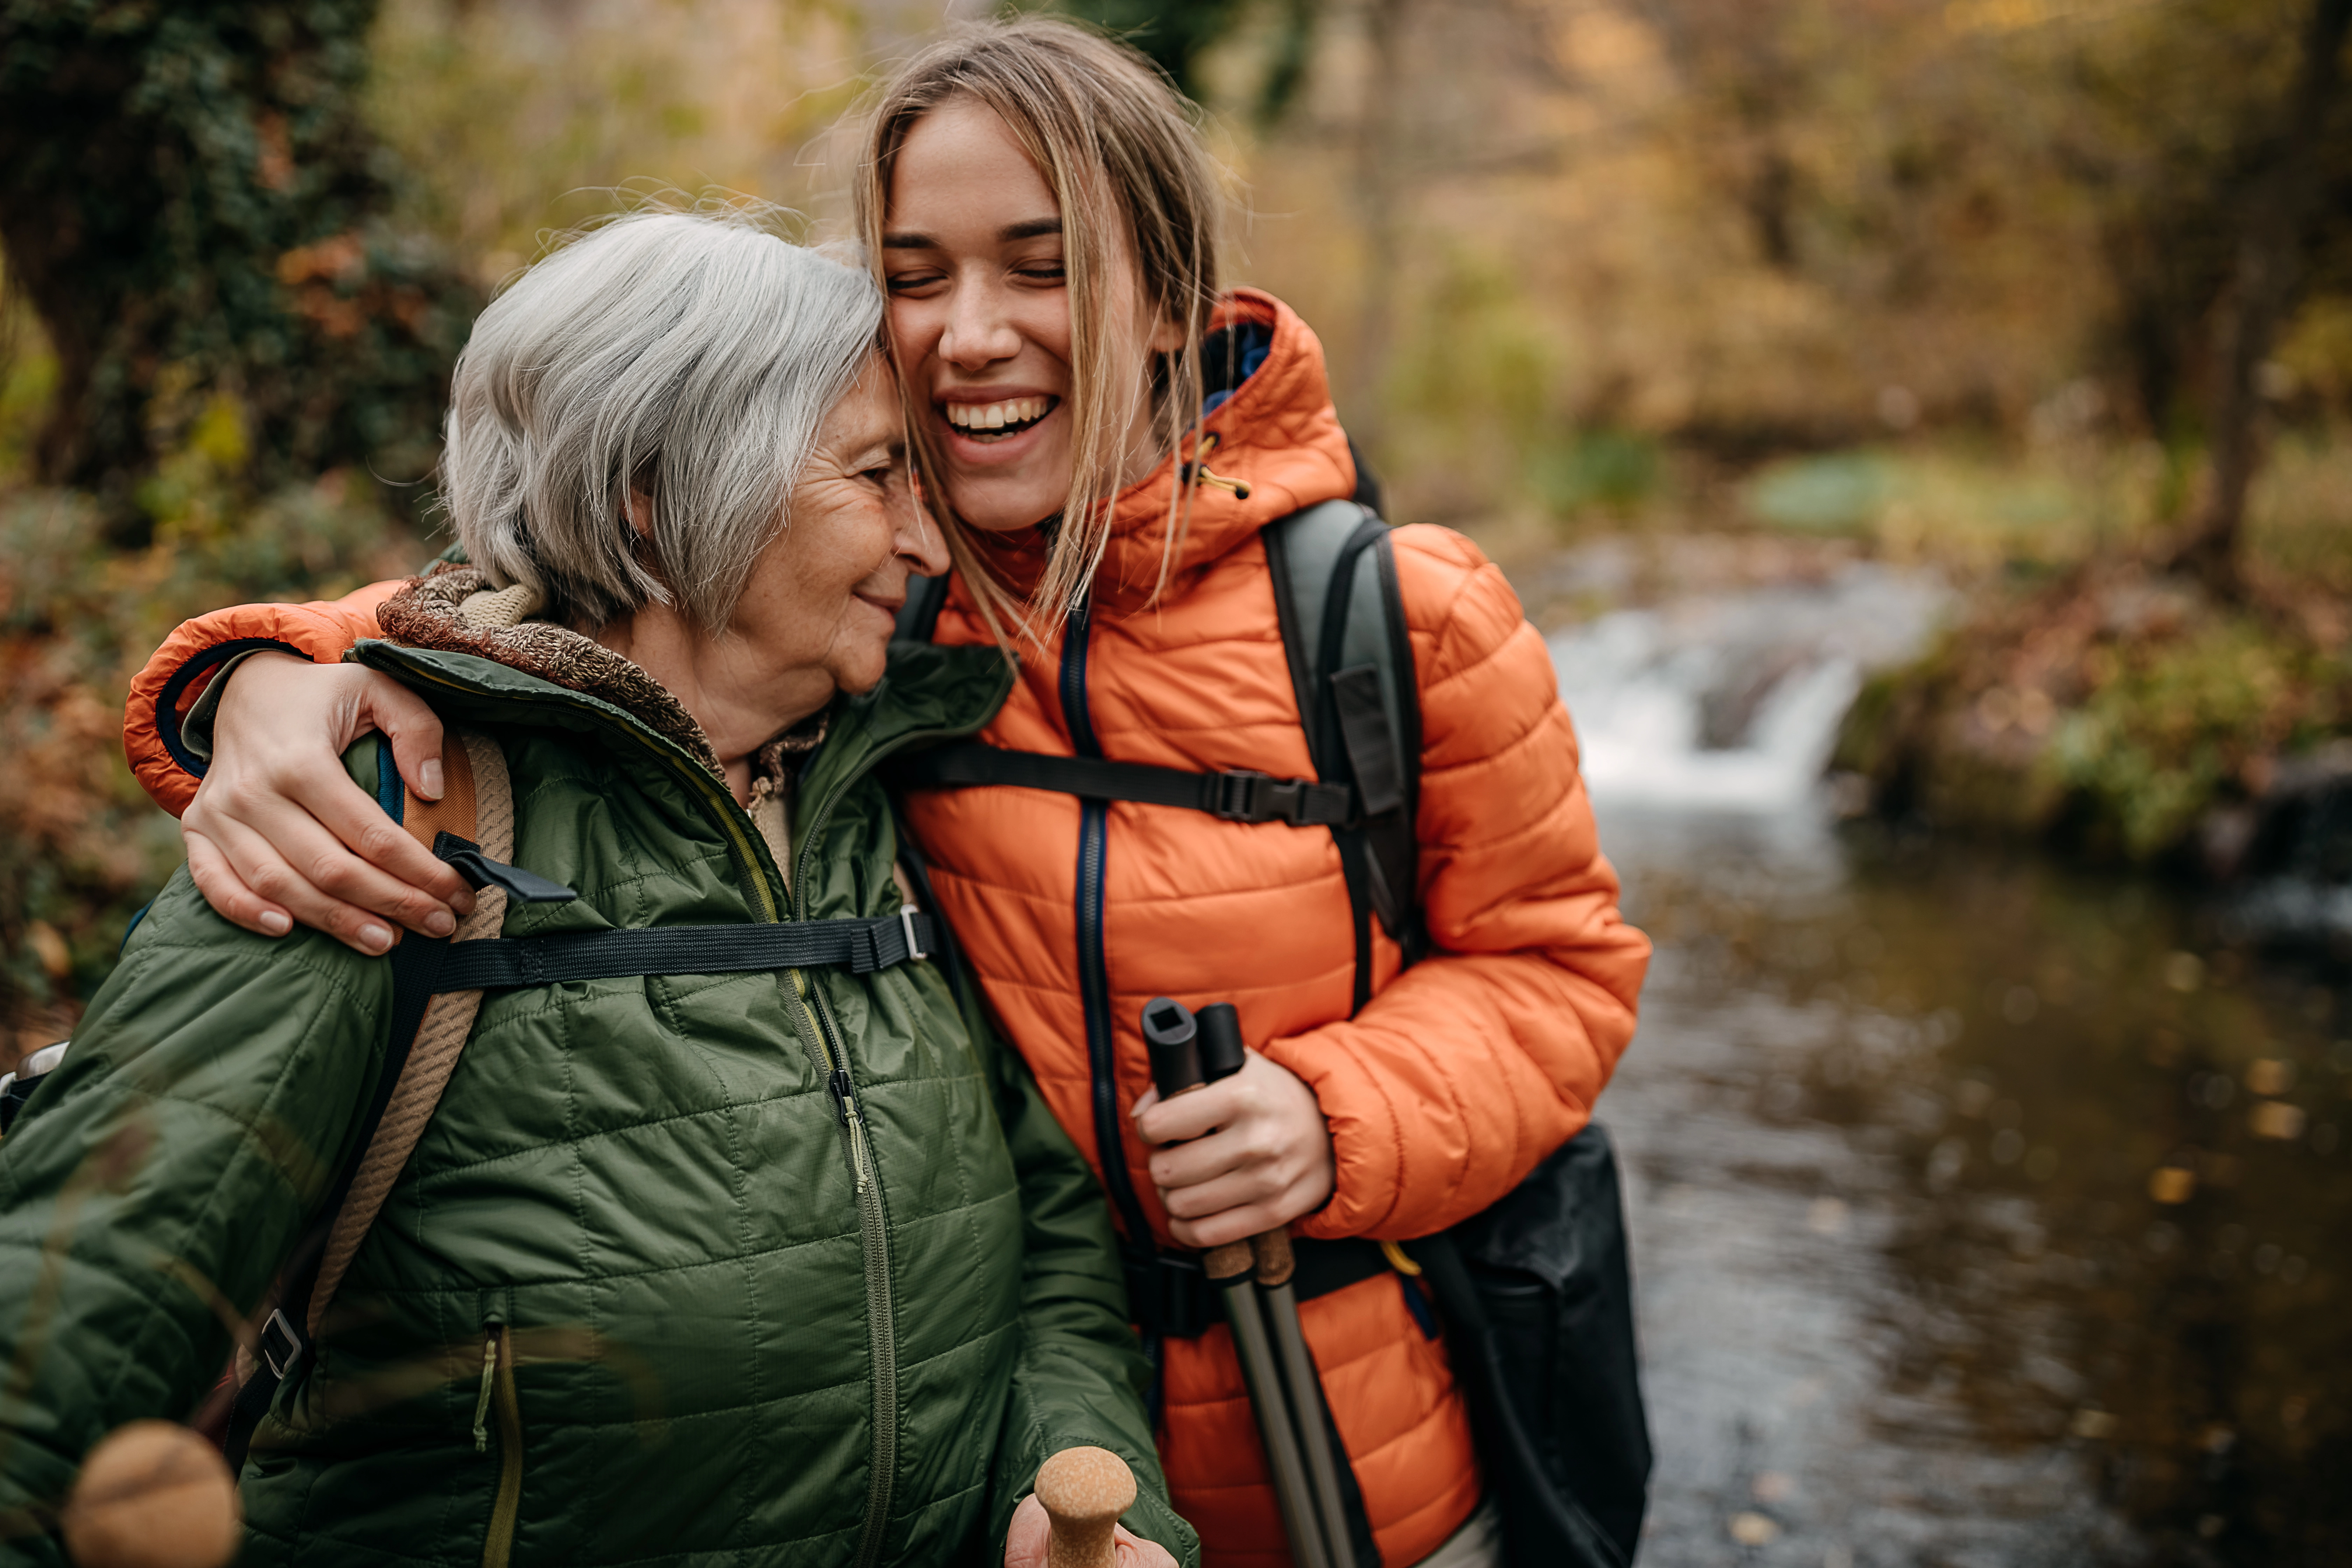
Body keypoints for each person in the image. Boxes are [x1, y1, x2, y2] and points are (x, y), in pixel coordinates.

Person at [113, 19, 1652, 1567]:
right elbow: (562, 600)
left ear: (1175, 296)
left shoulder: (1399, 616)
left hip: (1357, 1466)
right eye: (915, 276)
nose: (968, 334)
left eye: (1039, 267)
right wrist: (266, 669)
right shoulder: (870, 596)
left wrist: (1339, 1115)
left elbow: (1562, 975)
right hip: (993, 1477)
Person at [2, 209, 1191, 1568]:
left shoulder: (882, 808)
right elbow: (56, 1343)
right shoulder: (382, 819)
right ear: (658, 492)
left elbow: (1045, 1250)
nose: (931, 544)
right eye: (878, 476)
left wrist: (1076, 1493)